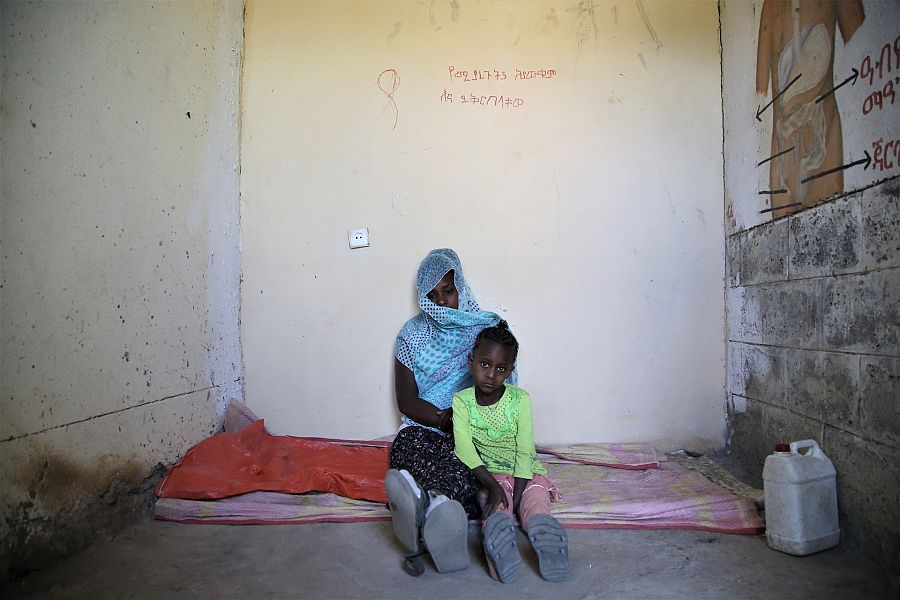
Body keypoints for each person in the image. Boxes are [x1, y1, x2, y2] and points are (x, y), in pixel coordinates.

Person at [385, 248, 508, 576]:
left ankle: (428, 504)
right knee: (412, 449)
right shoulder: (410, 336)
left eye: (448, 291)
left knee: (465, 464)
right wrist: (443, 419)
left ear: (461, 288)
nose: (441, 302)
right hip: (423, 426)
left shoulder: (485, 333)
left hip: (468, 431)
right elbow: (407, 401)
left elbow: (500, 390)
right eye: (432, 295)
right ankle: (434, 507)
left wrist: (466, 422)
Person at [452, 321, 569, 583]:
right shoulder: (462, 401)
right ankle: (499, 551)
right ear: (471, 362)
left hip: (527, 475)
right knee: (495, 509)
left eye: (501, 368)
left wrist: (517, 499)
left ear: (510, 371)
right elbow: (465, 450)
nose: (491, 374)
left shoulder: (520, 399)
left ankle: (547, 540)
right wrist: (494, 487)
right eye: (485, 364)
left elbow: (525, 449)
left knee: (535, 506)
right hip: (489, 475)